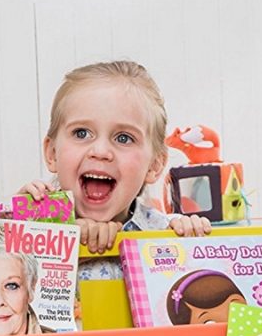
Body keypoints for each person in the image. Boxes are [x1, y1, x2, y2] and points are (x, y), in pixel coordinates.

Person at [20, 60, 212, 254]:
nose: (101, 151)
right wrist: (14, 228)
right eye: (81, 133)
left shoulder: (166, 233)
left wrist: (192, 247)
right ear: (52, 153)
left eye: (123, 138)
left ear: (154, 165)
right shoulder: (33, 226)